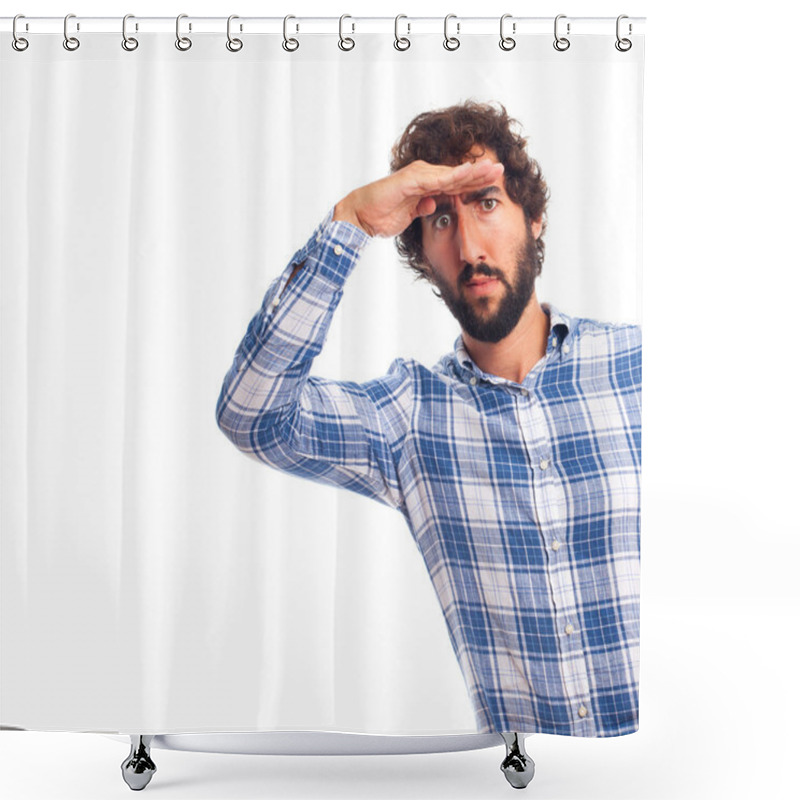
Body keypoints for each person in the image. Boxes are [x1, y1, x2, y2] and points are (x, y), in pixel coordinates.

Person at [216, 102, 641, 743]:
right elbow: (253, 415)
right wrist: (352, 223)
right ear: (422, 254)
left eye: (488, 204)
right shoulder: (410, 419)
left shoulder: (640, 367)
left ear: (534, 216)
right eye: (442, 219)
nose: (469, 246)